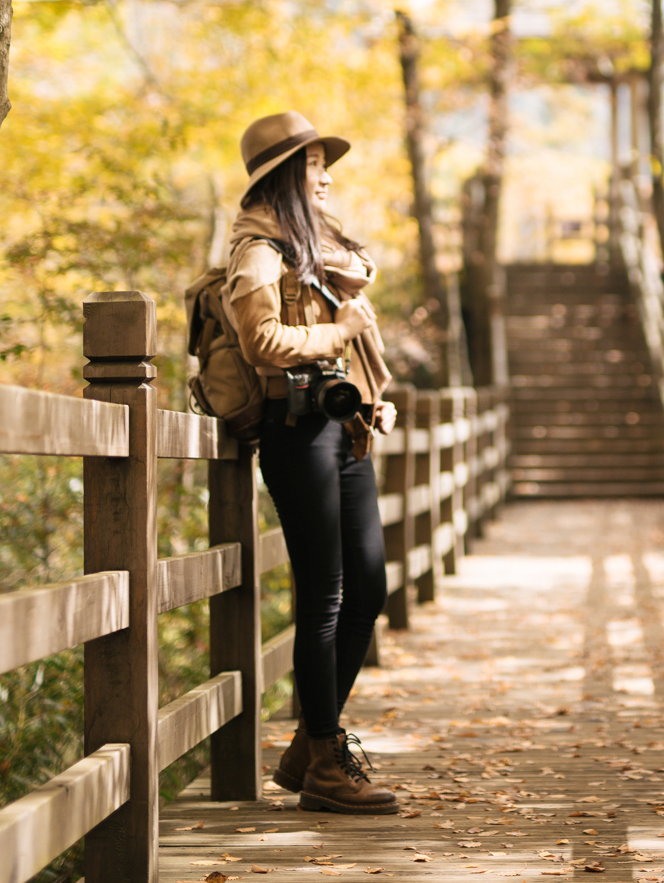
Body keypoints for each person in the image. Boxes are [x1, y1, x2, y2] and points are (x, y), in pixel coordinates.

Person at [224, 110, 401, 814]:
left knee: (369, 586)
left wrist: (370, 396)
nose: (325, 175)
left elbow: (344, 341)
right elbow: (261, 337)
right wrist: (339, 331)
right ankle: (325, 762)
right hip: (295, 435)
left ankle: (311, 743)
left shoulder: (316, 248)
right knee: (324, 595)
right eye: (311, 164)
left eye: (325, 163)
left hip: (341, 426)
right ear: (282, 177)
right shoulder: (258, 249)